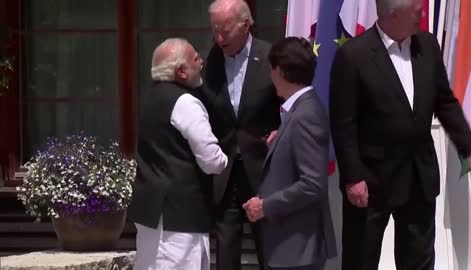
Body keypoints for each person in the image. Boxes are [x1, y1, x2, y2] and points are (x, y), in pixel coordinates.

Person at [329, 0, 471, 269]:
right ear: (393, 15)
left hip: (418, 176)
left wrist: (470, 148)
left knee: (419, 261)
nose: (422, 14)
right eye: (417, 11)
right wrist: (353, 177)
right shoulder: (354, 55)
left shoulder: (428, 46)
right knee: (360, 260)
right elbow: (343, 123)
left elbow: (444, 102)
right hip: (371, 179)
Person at [127, 38, 228, 270]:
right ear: (181, 71)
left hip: (152, 213)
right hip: (180, 218)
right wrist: (226, 159)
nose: (201, 62)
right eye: (195, 59)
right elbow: (212, 160)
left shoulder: (147, 98)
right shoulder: (185, 102)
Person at [198, 0, 281, 269]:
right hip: (224, 172)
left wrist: (282, 131)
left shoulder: (271, 58)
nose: (219, 38)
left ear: (245, 25)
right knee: (225, 254)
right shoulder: (207, 62)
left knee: (271, 251)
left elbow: (292, 103)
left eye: (225, 30)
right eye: (215, 30)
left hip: (264, 169)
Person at [243, 37, 337, 270]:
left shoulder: (305, 114)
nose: (270, 75)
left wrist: (266, 206)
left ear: (281, 71)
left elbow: (313, 183)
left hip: (298, 248)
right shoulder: (297, 111)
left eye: (271, 68)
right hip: (289, 246)